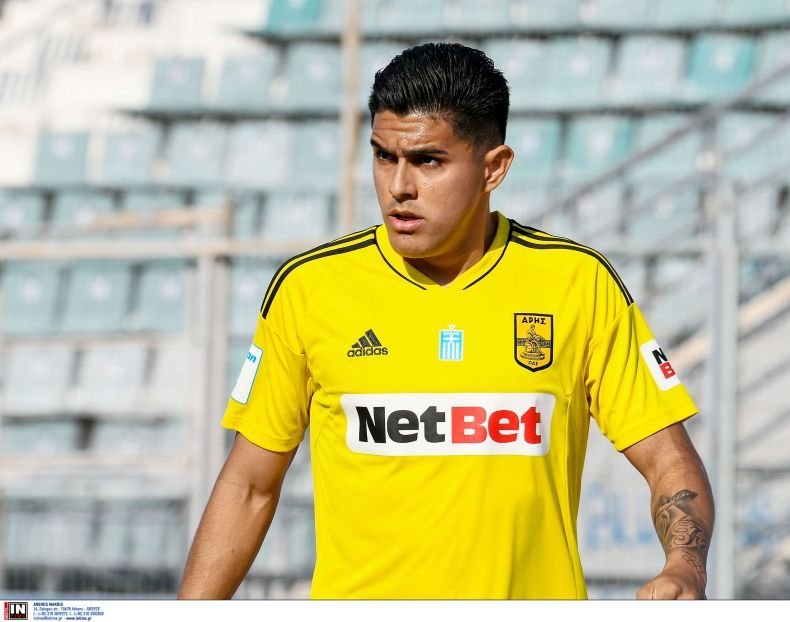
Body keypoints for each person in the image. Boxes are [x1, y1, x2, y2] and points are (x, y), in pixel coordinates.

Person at [178, 42, 714, 600]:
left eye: (428, 161)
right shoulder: (310, 289)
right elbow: (250, 486)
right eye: (384, 157)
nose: (399, 187)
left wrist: (685, 566)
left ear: (493, 168)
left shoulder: (578, 283)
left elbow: (667, 458)